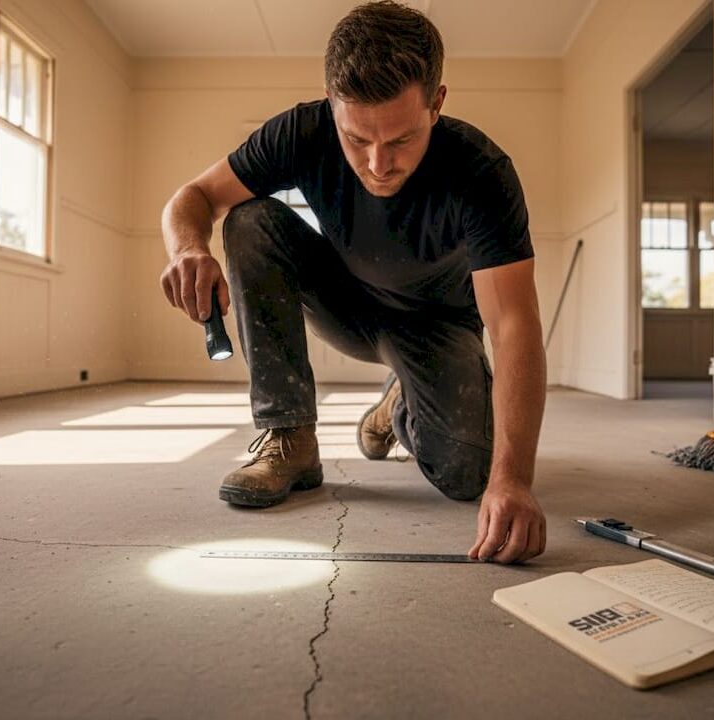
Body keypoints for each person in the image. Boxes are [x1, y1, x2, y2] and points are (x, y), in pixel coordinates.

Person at [160, 1, 547, 564]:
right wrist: (188, 248)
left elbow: (514, 326)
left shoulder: (480, 173)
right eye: (357, 139)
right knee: (250, 220)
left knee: (469, 473)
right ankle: (288, 435)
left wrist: (513, 479)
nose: (377, 163)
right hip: (347, 302)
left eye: (400, 140)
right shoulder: (303, 131)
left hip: (435, 328)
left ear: (437, 103)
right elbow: (191, 198)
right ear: (331, 104)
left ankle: (397, 407)